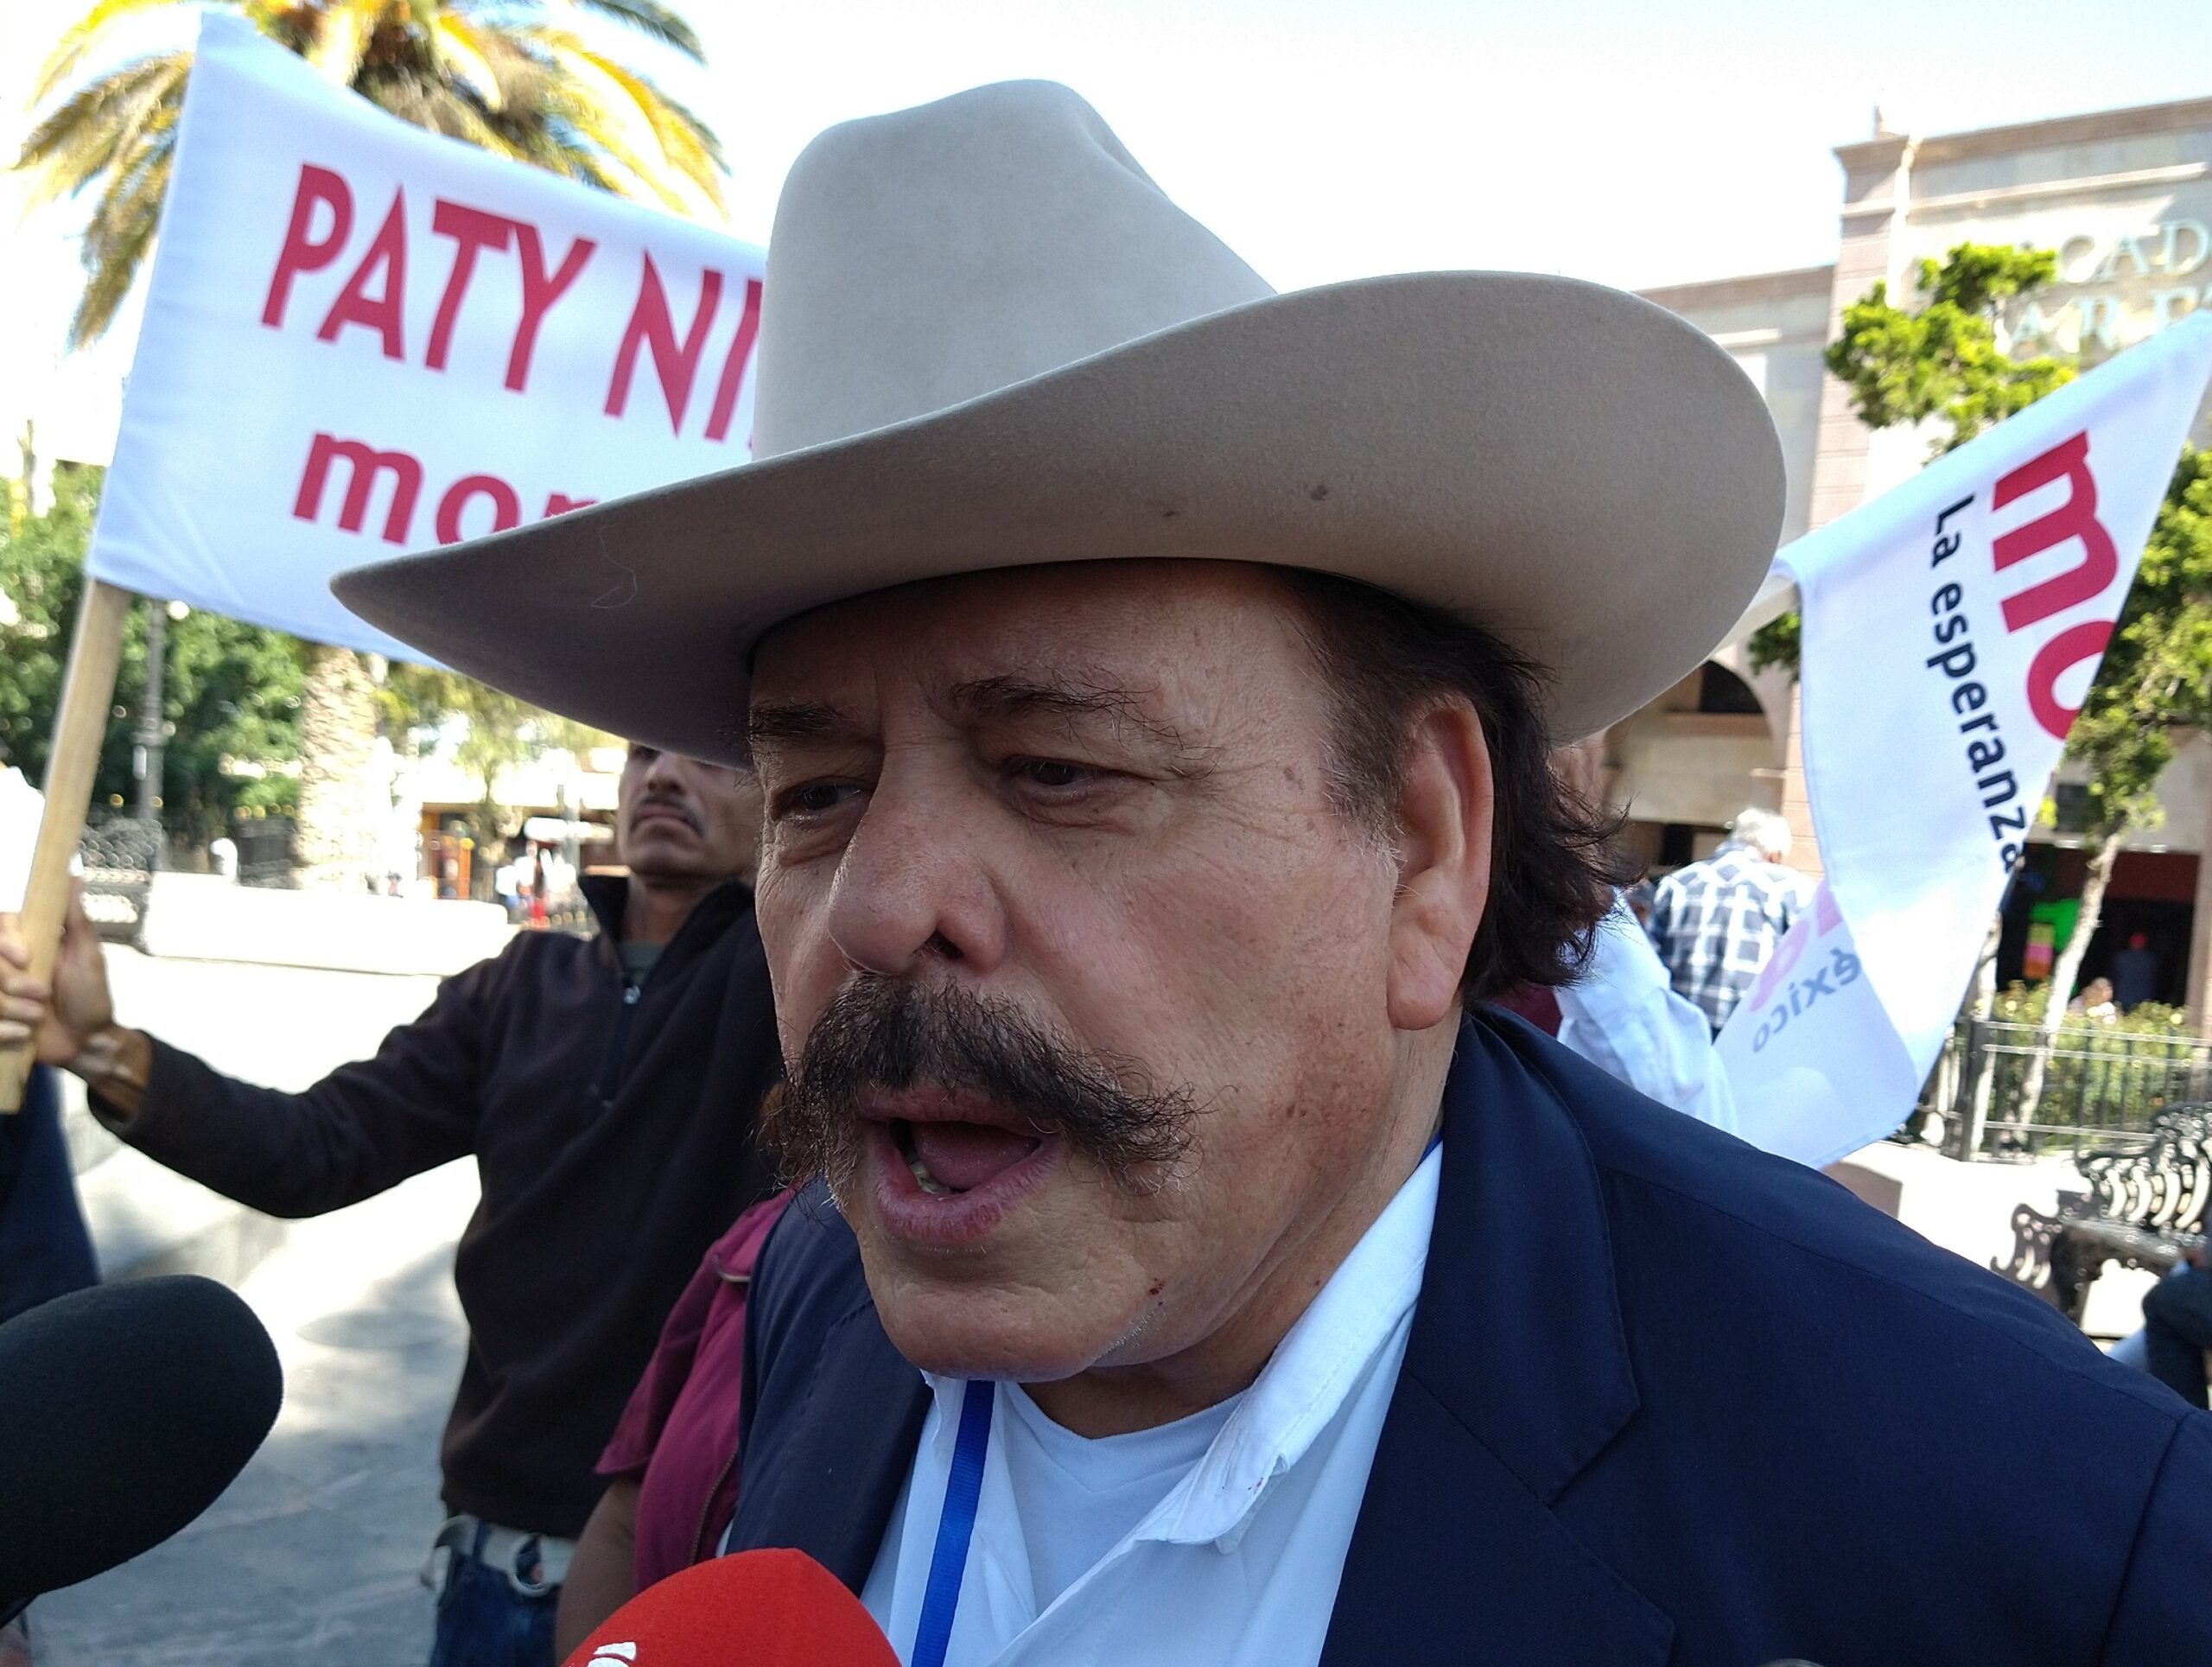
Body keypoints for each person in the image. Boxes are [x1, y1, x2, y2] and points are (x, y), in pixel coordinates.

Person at [336, 83, 2210, 1665]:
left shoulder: (2024, 1533)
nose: (882, 905)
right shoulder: (812, 1295)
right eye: (817, 789)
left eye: (1057, 769)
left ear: (1425, 849)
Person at [0, 743, 784, 1667]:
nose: (664, 774)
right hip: (492, 1567)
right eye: (643, 751)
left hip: (688, 1569)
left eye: (710, 755)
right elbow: (313, 1149)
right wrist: (99, 1047)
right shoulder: (513, 987)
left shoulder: (789, 997)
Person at [1643, 805, 1809, 1034]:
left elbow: (1650, 963)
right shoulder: (1790, 888)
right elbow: (1805, 964)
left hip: (1682, 1029)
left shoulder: (1678, 883)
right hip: (1753, 1031)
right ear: (1774, 853)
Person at [2111, 932, 2160, 1011]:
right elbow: (2154, 978)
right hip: (2143, 998)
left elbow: (2115, 975)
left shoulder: (2122, 957)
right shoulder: (2150, 959)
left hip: (2123, 996)